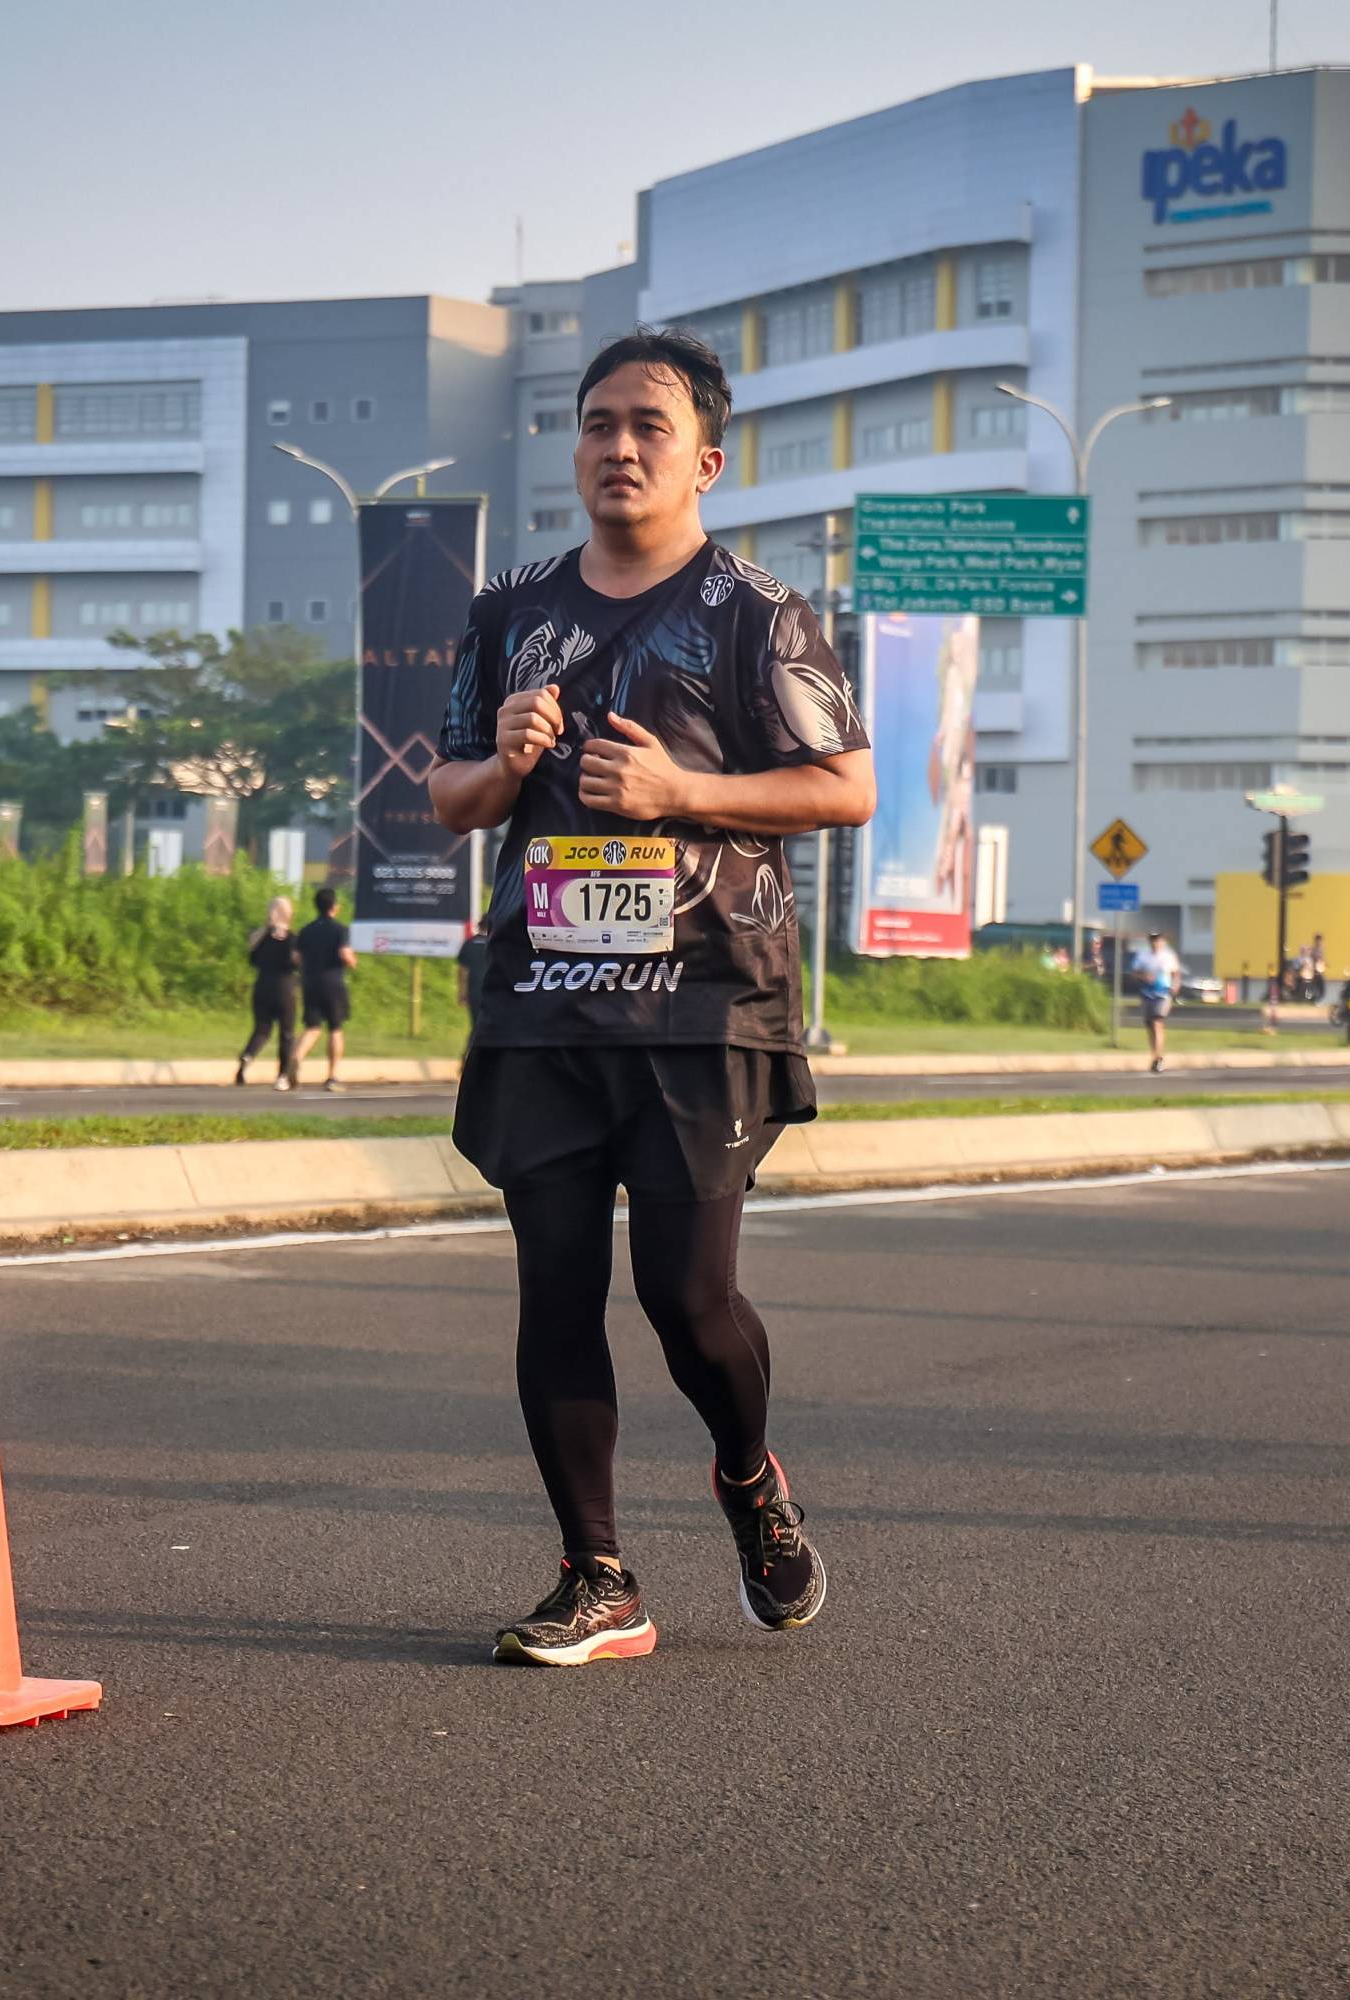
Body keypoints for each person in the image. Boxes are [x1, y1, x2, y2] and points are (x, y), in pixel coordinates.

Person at [429, 327, 873, 1665]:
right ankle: (598, 1575)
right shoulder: (509, 611)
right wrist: (504, 764)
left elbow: (845, 786)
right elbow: (448, 795)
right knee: (556, 1290)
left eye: (649, 427)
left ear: (705, 462)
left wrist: (682, 791)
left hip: (704, 1003)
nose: (618, 447)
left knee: (687, 1299)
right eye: (597, 423)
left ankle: (749, 1474)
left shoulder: (759, 613)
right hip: (544, 1002)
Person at [289, 884, 357, 1091]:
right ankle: (332, 1077)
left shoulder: (306, 930)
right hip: (333, 982)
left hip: (310, 983)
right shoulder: (340, 930)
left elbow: (296, 957)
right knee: (335, 1029)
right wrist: (352, 962)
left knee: (313, 1027)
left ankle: (296, 1057)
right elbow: (345, 954)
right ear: (334, 906)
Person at [234, 895, 301, 1091]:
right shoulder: (293, 938)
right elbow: (298, 962)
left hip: (262, 987)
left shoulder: (259, 937)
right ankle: (282, 1076)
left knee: (262, 1029)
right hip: (285, 989)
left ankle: (247, 1057)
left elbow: (252, 957)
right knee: (286, 1033)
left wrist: (267, 929)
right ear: (289, 914)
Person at [1128, 928, 1181, 1072]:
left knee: (1157, 1022)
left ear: (1163, 941)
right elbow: (1133, 974)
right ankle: (1155, 1056)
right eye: (1153, 940)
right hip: (1146, 994)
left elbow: (1176, 973)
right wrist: (1143, 976)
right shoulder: (1142, 956)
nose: (1155, 943)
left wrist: (1175, 986)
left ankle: (1158, 1058)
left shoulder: (1168, 956)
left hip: (1163, 994)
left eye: (1158, 940)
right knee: (1149, 1025)